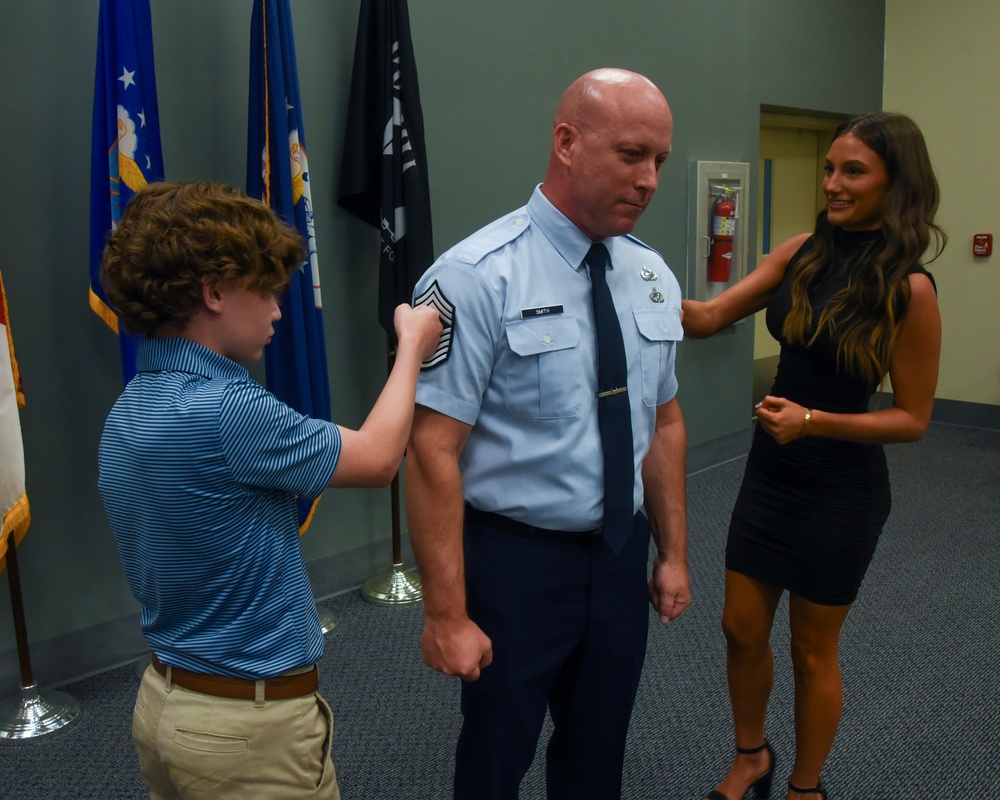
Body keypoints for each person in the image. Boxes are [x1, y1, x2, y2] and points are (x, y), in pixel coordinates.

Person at [97, 180, 442, 800]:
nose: (280, 311)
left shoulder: (131, 408)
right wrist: (411, 345)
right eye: (266, 290)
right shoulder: (225, 410)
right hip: (246, 733)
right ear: (215, 292)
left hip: (163, 704)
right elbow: (379, 458)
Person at [405, 68, 690, 800]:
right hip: (515, 565)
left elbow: (663, 423)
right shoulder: (475, 275)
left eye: (659, 158)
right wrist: (446, 613)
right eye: (632, 154)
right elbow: (431, 450)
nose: (650, 178)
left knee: (600, 754)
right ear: (567, 142)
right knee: (497, 753)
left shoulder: (651, 275)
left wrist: (673, 553)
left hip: (619, 558)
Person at [682, 112, 944, 800]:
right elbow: (708, 317)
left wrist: (815, 420)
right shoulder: (803, 250)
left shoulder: (910, 289)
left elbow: (913, 419)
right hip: (772, 473)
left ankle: (804, 787)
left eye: (853, 170)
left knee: (809, 649)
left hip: (841, 488)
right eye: (829, 168)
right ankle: (751, 756)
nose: (832, 183)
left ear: (897, 182)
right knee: (739, 626)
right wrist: (627, 282)